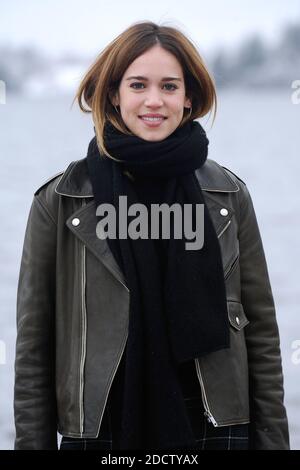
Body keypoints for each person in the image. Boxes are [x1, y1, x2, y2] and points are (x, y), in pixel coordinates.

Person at [14, 21, 289, 451]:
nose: (154, 101)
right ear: (113, 94)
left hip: (217, 425)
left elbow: (262, 335)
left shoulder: (229, 196)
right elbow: (34, 349)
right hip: (100, 430)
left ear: (189, 97)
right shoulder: (60, 200)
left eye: (170, 86)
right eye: (138, 84)